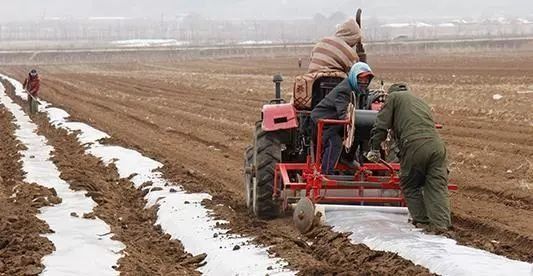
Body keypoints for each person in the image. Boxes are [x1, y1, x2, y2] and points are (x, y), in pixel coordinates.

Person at [366, 83, 452, 231]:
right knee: (436, 186)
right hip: (437, 145)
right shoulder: (419, 101)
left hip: (415, 144)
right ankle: (441, 227)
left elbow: (381, 125)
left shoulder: (392, 98)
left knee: (410, 184)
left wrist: (374, 149)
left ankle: (422, 222)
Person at [311, 62, 374, 174]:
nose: (363, 83)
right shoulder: (344, 90)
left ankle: (347, 158)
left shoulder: (360, 91)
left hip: (337, 122)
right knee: (334, 142)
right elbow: (344, 114)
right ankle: (326, 173)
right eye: (360, 79)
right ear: (354, 77)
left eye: (366, 80)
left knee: (360, 130)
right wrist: (351, 119)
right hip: (324, 122)